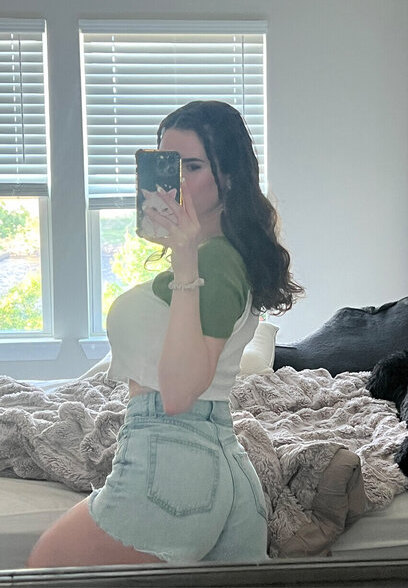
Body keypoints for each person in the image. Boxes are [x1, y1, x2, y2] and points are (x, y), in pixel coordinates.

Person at [27, 100, 304, 567]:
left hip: (171, 461)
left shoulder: (214, 261)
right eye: (168, 165)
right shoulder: (221, 254)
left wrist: (185, 257)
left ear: (228, 176)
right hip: (218, 464)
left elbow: (177, 393)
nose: (174, 182)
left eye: (192, 166)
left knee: (44, 569)